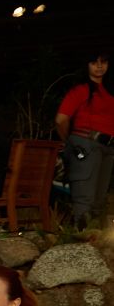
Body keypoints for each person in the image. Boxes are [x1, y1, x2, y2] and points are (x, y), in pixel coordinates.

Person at [54, 51, 113, 226]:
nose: (100, 66)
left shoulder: (108, 91)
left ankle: (97, 243)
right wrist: (70, 141)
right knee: (85, 198)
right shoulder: (81, 90)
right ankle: (82, 241)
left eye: (103, 62)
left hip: (108, 147)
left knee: (100, 200)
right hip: (86, 143)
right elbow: (61, 119)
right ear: (87, 65)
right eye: (94, 62)